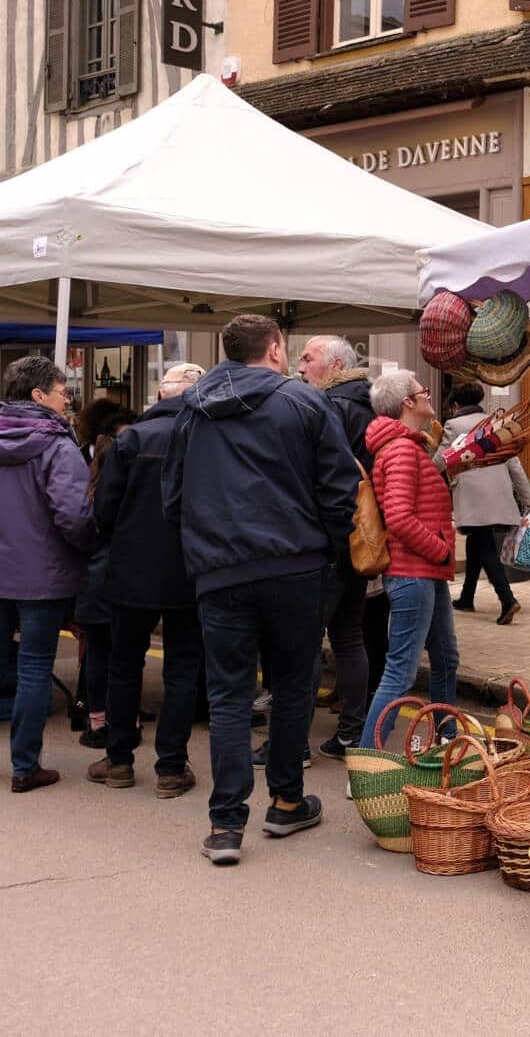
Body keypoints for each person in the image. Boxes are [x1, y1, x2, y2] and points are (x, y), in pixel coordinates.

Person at [164, 315, 359, 866]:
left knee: (229, 696)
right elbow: (340, 486)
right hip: (294, 565)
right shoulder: (302, 402)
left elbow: (172, 495)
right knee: (294, 685)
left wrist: (199, 549)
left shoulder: (192, 410)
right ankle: (286, 800)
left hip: (222, 569)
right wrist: (324, 543)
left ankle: (226, 825)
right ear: (275, 349)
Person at [0, 356, 94, 791]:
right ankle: (24, 766)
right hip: (42, 572)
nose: (67, 399)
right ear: (38, 395)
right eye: (61, 391)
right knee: (34, 666)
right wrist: (89, 547)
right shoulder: (57, 444)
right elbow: (73, 515)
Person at [88, 364, 205, 796]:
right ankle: (171, 767)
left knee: (124, 665)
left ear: (160, 394)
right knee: (182, 669)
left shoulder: (131, 438)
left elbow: (103, 510)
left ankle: (119, 760)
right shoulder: (208, 439)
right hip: (189, 569)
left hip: (132, 568)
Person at [360, 371, 458, 749]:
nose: (428, 395)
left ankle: (446, 739)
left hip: (426, 574)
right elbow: (398, 517)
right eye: (423, 391)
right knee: (400, 671)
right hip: (413, 574)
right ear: (408, 403)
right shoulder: (401, 450)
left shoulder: (410, 446)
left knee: (446, 659)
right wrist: (441, 549)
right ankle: (370, 758)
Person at [295, 335, 376, 761]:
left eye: (308, 359)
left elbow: (322, 477)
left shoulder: (331, 406)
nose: (301, 365)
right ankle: (351, 734)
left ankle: (293, 744)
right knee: (348, 636)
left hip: (329, 540)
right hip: (358, 542)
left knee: (307, 639)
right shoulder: (367, 403)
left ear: (335, 364)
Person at [74, 407, 138, 749]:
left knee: (98, 653)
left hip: (94, 582)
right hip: (127, 582)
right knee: (127, 655)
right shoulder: (134, 493)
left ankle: (97, 720)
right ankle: (128, 719)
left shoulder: (87, 490)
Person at [443, 381, 530, 625]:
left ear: (455, 404)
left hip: (473, 498)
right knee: (477, 542)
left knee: (484, 547)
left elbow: (440, 461)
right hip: (498, 494)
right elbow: (514, 463)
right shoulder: (495, 425)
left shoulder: (453, 425)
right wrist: (527, 499)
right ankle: (467, 596)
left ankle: (507, 599)